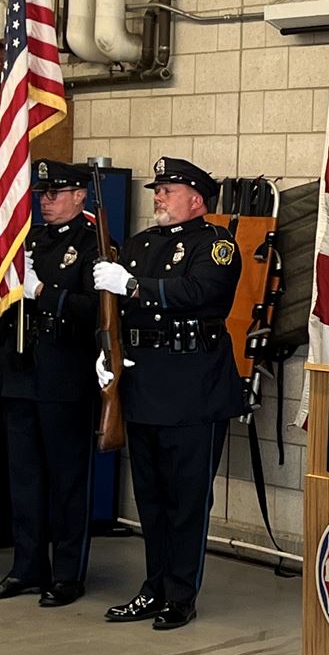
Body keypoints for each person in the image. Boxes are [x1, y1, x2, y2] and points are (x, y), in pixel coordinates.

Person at [93, 158, 244, 630]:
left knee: (187, 499)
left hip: (192, 384)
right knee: (152, 499)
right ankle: (152, 587)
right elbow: (116, 311)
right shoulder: (140, 244)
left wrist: (134, 285)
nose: (157, 197)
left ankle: (180, 595)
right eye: (157, 190)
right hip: (142, 382)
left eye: (168, 190)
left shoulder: (216, 245)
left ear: (196, 199)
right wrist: (108, 354)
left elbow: (198, 291)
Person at [0, 159, 105, 608]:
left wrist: (41, 293)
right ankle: (27, 566)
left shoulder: (95, 243)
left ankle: (68, 573)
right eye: (42, 195)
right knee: (25, 478)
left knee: (67, 479)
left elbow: (96, 310)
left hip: (65, 372)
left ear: (79, 196)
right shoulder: (27, 240)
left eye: (55, 194)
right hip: (20, 368)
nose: (46, 202)